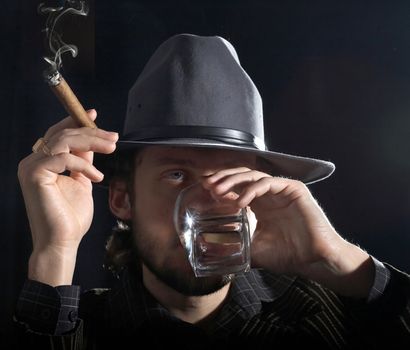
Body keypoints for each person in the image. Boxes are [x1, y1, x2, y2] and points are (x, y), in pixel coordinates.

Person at [13, 34, 410, 349]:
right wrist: (55, 252)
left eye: (233, 178)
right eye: (177, 176)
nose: (208, 202)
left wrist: (344, 262)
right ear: (121, 199)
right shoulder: (67, 329)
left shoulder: (337, 314)